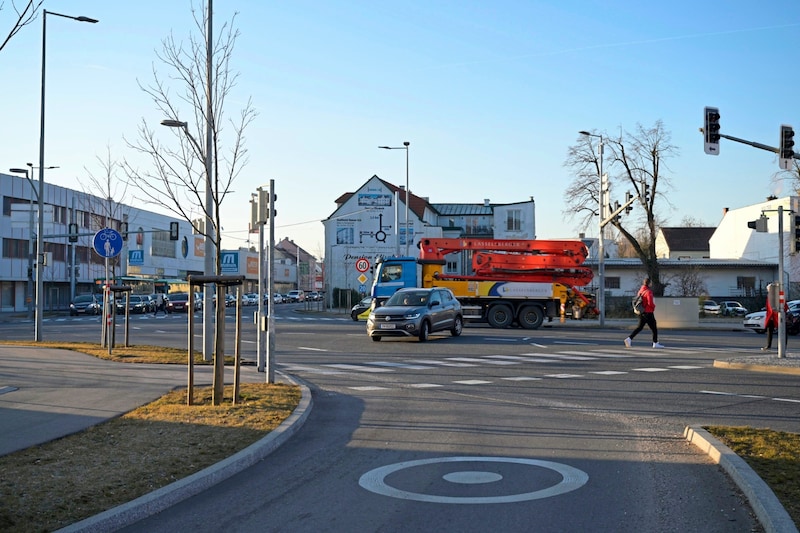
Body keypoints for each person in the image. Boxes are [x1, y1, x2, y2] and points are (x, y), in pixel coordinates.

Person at [624, 277, 663, 348]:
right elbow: (650, 302)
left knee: (640, 327)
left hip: (641, 312)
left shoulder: (641, 290)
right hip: (648, 312)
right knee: (654, 328)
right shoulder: (648, 292)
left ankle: (629, 339)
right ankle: (655, 343)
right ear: (649, 283)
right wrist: (653, 307)